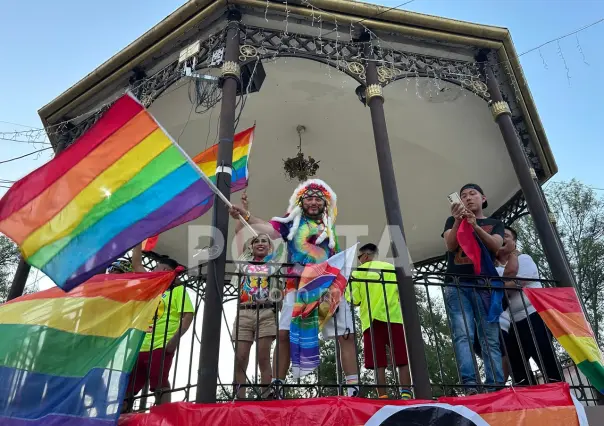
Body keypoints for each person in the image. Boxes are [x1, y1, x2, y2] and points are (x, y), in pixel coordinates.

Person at [229, 179, 359, 398]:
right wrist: (247, 216)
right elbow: (268, 230)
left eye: (319, 198)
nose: (314, 202)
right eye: (309, 198)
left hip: (328, 285)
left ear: (325, 203)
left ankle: (353, 388)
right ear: (301, 201)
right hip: (296, 286)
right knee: (283, 334)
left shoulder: (329, 224)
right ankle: (278, 387)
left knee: (346, 335)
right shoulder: (290, 222)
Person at [442, 183, 504, 394]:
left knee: (490, 338)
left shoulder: (495, 223)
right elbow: (450, 245)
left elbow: (496, 246)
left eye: (472, 194)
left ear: (483, 198)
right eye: (463, 196)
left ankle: (495, 385)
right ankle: (470, 385)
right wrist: (459, 219)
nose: (468, 198)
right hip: (456, 284)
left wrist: (475, 225)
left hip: (485, 285)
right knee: (463, 335)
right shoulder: (452, 220)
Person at [124, 254, 195, 407]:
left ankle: (163, 416)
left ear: (164, 269)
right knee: (129, 385)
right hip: (141, 344)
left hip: (161, 344)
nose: (154, 270)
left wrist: (174, 340)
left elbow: (188, 315)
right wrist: (139, 239)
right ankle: (123, 416)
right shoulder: (152, 286)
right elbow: (137, 265)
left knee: (159, 383)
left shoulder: (178, 290)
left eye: (156, 267)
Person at [496, 226, 562, 385]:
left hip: (534, 315)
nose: (502, 239)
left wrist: (500, 287)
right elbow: (507, 287)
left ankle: (561, 394)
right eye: (498, 236)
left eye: (506, 235)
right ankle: (530, 400)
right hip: (512, 323)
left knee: (545, 357)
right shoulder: (493, 269)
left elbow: (518, 283)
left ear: (514, 242)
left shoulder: (524, 259)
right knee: (517, 367)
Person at [346, 243, 412, 399]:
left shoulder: (359, 273)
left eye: (359, 257)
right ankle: (406, 395)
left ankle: (382, 397)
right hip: (394, 318)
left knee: (378, 363)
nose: (359, 261)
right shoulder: (391, 269)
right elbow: (402, 294)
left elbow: (355, 300)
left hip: (371, 321)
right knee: (402, 359)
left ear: (366, 256)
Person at [231, 233, 282, 399]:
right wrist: (244, 219)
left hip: (266, 312)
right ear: (251, 247)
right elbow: (239, 236)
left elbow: (279, 290)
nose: (260, 244)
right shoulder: (243, 263)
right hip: (244, 311)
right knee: (241, 357)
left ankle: (266, 396)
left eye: (264, 241)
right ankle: (239, 397)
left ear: (269, 247)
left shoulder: (275, 265)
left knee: (263, 357)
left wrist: (273, 298)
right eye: (256, 242)